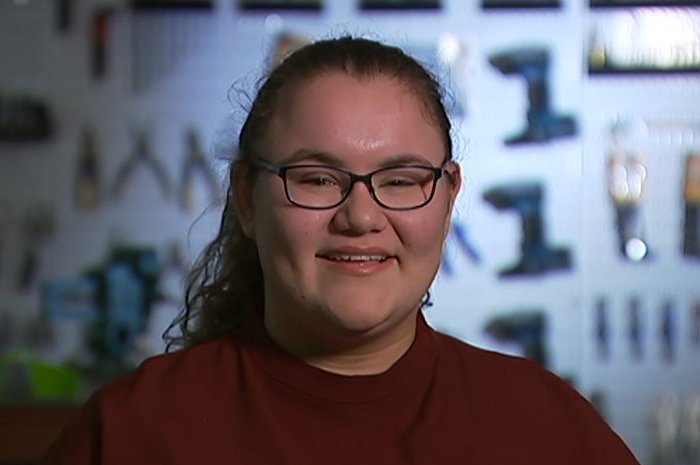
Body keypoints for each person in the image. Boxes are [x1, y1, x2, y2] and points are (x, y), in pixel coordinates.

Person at [40, 36, 641, 464]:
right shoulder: (135, 432)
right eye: (317, 178)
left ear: (449, 197)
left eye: (402, 180)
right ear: (247, 198)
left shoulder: (544, 427)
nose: (360, 216)